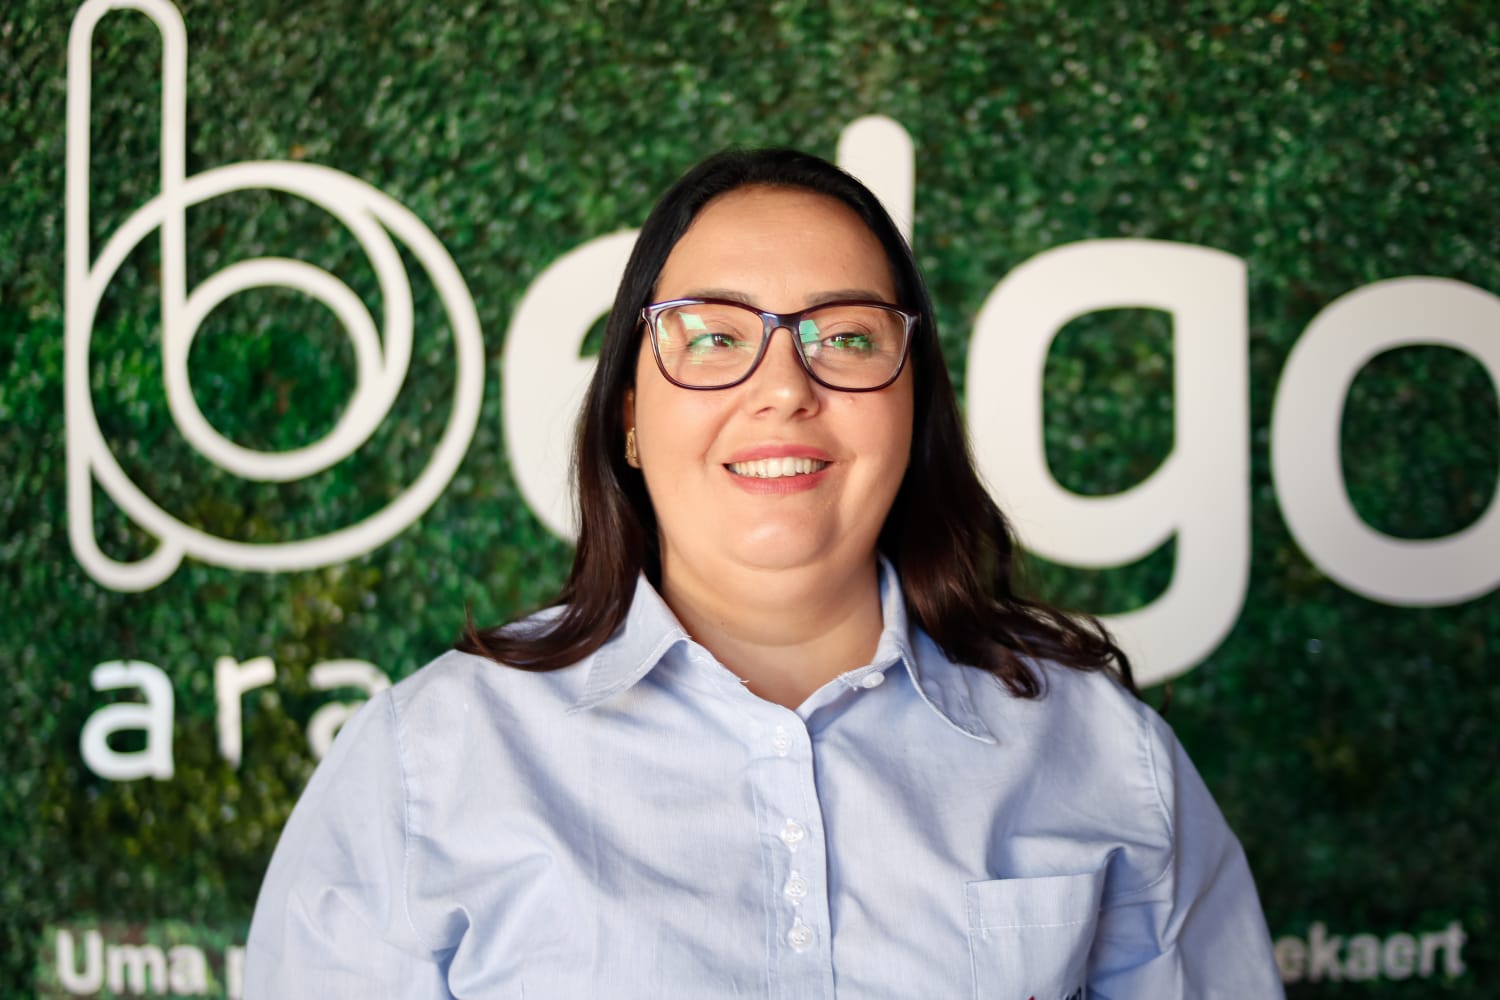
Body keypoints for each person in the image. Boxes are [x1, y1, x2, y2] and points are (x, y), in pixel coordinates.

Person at [245, 148, 1284, 998]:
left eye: (846, 335)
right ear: (629, 416)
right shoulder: (424, 766)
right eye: (712, 337)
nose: (784, 387)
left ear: (912, 407)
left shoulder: (1102, 753)